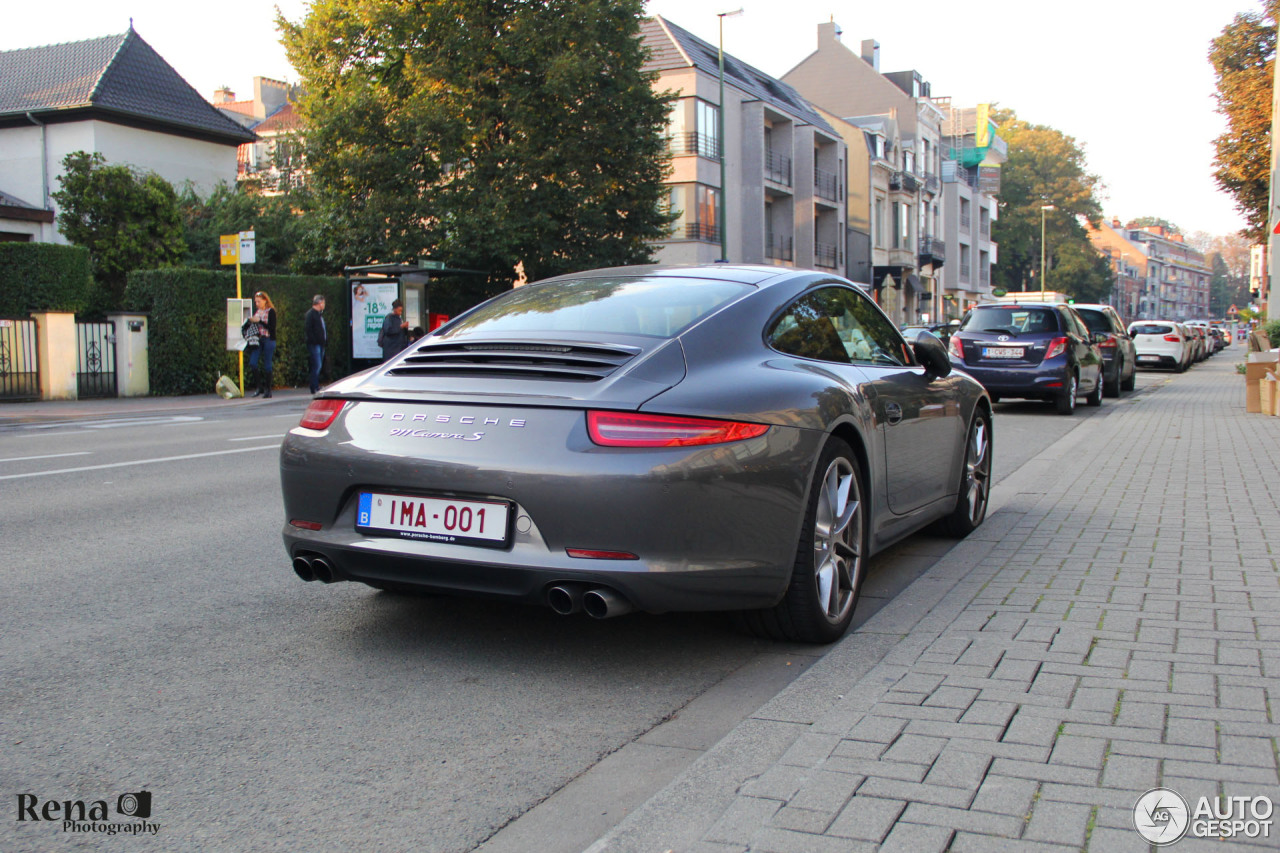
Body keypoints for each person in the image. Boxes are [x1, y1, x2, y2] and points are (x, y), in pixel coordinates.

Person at [248, 291, 277, 398]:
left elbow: (271, 327)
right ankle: (259, 386)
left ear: (265, 300)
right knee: (253, 362)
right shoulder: (258, 311)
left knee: (267, 364)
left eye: (259, 301)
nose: (257, 304)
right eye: (256, 302)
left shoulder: (271, 311)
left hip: (268, 338)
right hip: (259, 339)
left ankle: (268, 390)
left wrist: (259, 321)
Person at [305, 294, 327, 395]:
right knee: (317, 365)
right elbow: (309, 330)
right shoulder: (311, 314)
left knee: (318, 365)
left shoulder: (318, 314)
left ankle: (315, 385)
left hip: (320, 344)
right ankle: (314, 386)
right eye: (323, 302)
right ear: (320, 303)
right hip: (315, 344)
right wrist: (315, 340)